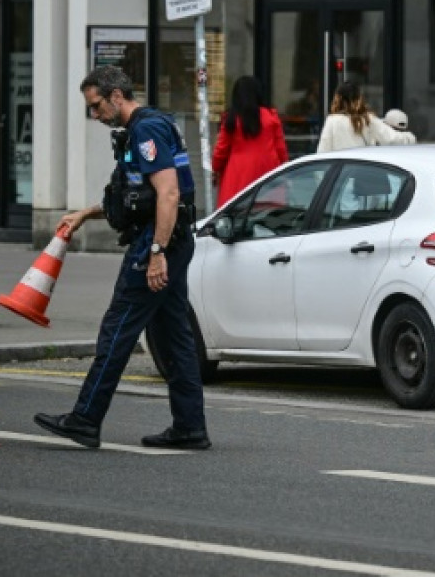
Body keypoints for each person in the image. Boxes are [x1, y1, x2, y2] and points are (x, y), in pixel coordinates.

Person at [34, 65, 209, 451]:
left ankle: (85, 418)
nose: (94, 115)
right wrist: (86, 213)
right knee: (173, 335)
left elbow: (167, 195)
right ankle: (190, 427)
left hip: (160, 240)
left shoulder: (146, 130)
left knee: (119, 328)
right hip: (169, 238)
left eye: (96, 106)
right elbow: (133, 196)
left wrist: (156, 253)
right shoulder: (144, 128)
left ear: (116, 96)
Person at [211, 75, 289, 208]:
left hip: (237, 177)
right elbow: (281, 150)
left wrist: (215, 169)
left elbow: (220, 153)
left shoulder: (231, 120)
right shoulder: (271, 117)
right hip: (268, 175)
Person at [317, 81, 414, 151]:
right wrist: (411, 138)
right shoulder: (368, 119)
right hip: (362, 173)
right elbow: (392, 139)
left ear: (338, 99)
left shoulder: (332, 121)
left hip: (342, 175)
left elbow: (323, 151)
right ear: (359, 99)